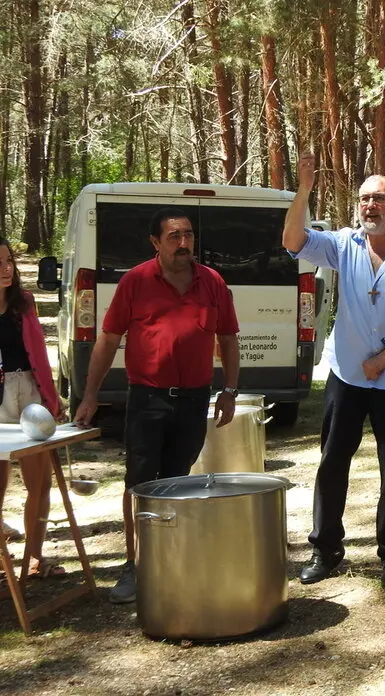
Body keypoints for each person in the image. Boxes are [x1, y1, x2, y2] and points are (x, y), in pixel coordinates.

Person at [282, 154, 385, 591]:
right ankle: (326, 547)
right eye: (365, 199)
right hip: (347, 376)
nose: (371, 206)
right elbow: (293, 241)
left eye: (379, 198)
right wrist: (303, 191)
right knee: (333, 462)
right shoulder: (342, 244)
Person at [74, 208, 240, 604]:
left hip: (194, 399)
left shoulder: (212, 282)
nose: (183, 244)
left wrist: (230, 390)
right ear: (155, 242)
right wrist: (91, 394)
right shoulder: (135, 281)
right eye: (173, 237)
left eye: (188, 235)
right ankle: (134, 566)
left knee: (177, 482)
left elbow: (229, 338)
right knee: (140, 484)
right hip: (148, 398)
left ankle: (171, 562)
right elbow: (108, 339)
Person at [0, 239, 66, 585]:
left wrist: (51, 399)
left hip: (28, 391)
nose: (7, 268)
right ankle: (4, 562)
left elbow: (39, 353)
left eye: (9, 260)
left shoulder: (23, 303)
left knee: (39, 483)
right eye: (0, 262)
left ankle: (34, 558)